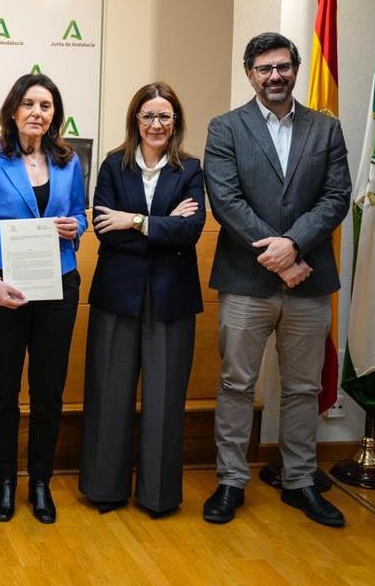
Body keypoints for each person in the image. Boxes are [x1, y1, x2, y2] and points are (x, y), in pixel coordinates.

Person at [202, 32, 351, 528]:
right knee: (236, 384)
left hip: (309, 284)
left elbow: (336, 197)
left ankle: (299, 480)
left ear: (295, 69)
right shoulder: (225, 128)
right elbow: (226, 201)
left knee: (303, 388)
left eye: (283, 66)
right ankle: (231, 481)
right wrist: (282, 257)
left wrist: (294, 245)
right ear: (250, 74)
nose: (275, 76)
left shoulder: (325, 129)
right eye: (264, 68)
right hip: (246, 282)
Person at [0, 72, 86, 524]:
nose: (37, 112)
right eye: (30, 104)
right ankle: (5, 481)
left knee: (48, 391)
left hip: (58, 284)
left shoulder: (69, 161)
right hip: (3, 289)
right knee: (4, 389)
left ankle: (40, 482)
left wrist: (77, 226)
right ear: (13, 111)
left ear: (55, 114)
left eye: (46, 106)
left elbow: (79, 214)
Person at [79, 82, 205, 519]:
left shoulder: (190, 169)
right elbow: (104, 229)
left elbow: (190, 232)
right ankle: (104, 488)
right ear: (136, 119)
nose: (156, 124)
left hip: (172, 297)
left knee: (165, 399)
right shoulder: (113, 166)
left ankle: (158, 496)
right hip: (118, 294)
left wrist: (134, 221)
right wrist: (162, 225)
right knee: (109, 393)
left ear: (176, 121)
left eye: (164, 116)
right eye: (148, 115)